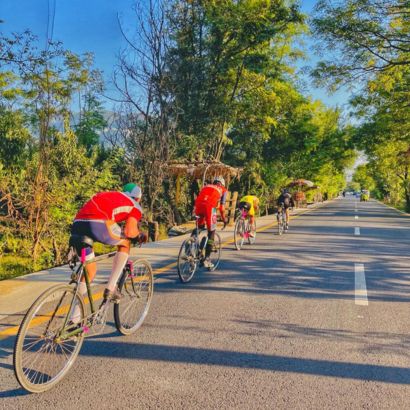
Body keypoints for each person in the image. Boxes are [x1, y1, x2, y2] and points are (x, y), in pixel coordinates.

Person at [69, 183, 147, 322]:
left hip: (77, 226)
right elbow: (130, 231)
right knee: (125, 243)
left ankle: (74, 320)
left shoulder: (108, 195)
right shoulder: (135, 206)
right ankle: (111, 289)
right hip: (97, 224)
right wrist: (139, 235)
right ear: (138, 198)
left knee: (89, 270)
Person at [194, 176, 228, 268]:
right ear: (222, 184)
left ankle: (191, 244)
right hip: (209, 207)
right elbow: (222, 208)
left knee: (199, 227)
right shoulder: (223, 190)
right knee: (211, 232)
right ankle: (207, 259)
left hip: (198, 205)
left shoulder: (206, 186)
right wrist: (224, 219)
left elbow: (201, 197)